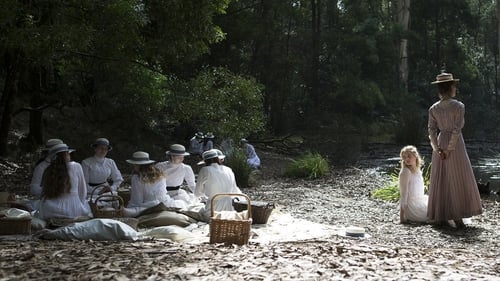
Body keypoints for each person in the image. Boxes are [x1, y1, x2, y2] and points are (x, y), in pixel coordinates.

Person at [427, 72, 483, 228]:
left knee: (442, 177)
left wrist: (437, 149)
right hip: (456, 144)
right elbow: (457, 130)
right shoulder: (459, 106)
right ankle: (458, 216)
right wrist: (449, 149)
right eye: (454, 86)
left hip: (440, 141)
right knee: (457, 176)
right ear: (451, 87)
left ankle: (441, 216)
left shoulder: (434, 108)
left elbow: (431, 131)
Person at [36, 143, 91, 220]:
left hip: (54, 209)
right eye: (68, 153)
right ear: (66, 155)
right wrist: (79, 204)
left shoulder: (50, 169)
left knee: (43, 204)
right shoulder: (76, 166)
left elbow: (46, 193)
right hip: (74, 208)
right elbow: (83, 191)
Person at [125, 151, 183, 217]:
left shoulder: (137, 178)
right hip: (164, 202)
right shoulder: (159, 174)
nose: (133, 166)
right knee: (180, 203)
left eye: (134, 164)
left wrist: (129, 207)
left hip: (150, 205)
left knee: (135, 210)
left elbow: (136, 200)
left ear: (137, 165)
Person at [194, 149, 242, 222]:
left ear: (206, 161)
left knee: (197, 208)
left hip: (213, 209)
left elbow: (197, 193)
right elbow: (234, 190)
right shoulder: (229, 169)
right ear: (217, 159)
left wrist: (206, 192)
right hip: (229, 210)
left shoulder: (205, 170)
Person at [398, 145, 428, 224]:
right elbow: (403, 194)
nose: (406, 159)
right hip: (412, 207)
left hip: (421, 201)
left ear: (415, 156)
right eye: (404, 157)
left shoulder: (418, 170)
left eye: (409, 156)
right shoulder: (405, 172)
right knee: (436, 214)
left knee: (440, 205)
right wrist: (402, 218)